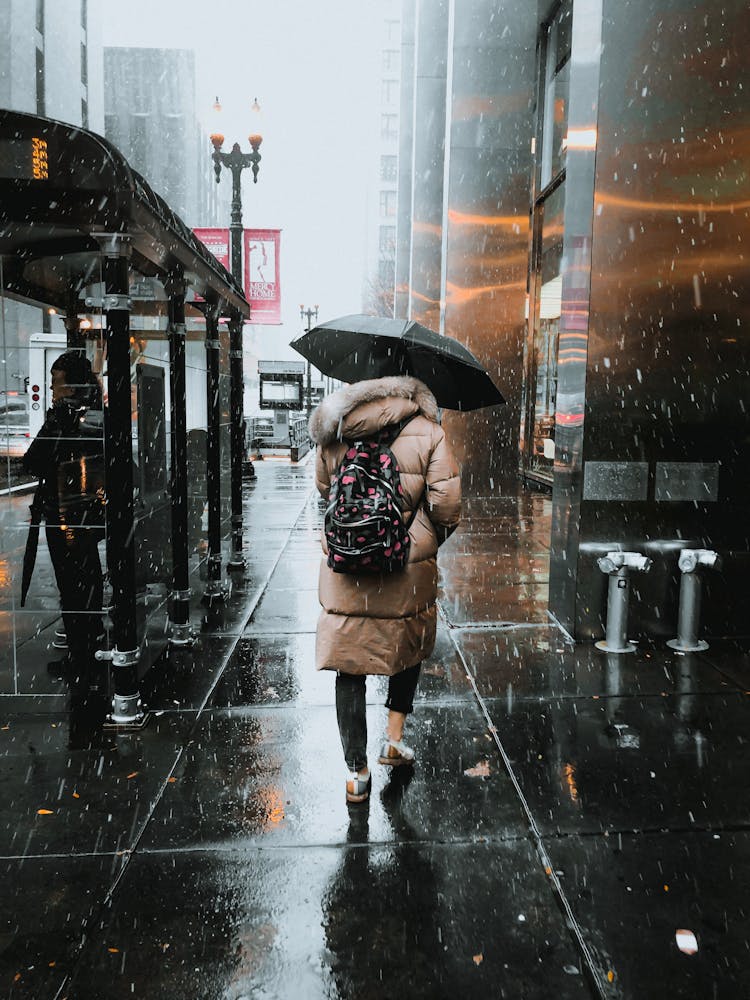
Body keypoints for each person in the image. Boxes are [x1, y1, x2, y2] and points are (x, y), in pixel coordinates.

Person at [309, 374, 461, 803]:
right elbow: (447, 508)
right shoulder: (429, 431)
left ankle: (356, 772)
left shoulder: (335, 426)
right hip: (405, 568)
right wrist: (416, 542)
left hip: (345, 569)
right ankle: (392, 742)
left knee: (349, 663)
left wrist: (354, 531)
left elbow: (325, 490)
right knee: (405, 649)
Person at [23, 350, 105, 684]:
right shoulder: (96, 413)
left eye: (56, 383)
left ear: (70, 387)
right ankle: (90, 640)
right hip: (84, 511)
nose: (53, 390)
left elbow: (35, 460)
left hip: (65, 510)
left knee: (71, 583)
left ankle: (81, 654)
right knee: (87, 576)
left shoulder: (65, 416)